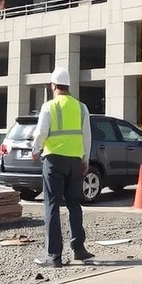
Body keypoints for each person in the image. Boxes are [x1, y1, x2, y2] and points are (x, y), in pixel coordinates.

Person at [31, 66, 94, 267]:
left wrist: (35, 149)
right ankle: (79, 248)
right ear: (68, 85)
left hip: (54, 161)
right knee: (74, 203)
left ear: (53, 86)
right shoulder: (81, 107)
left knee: (52, 205)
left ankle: (54, 256)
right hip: (75, 161)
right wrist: (85, 159)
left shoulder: (49, 106)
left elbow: (41, 132)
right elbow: (87, 136)